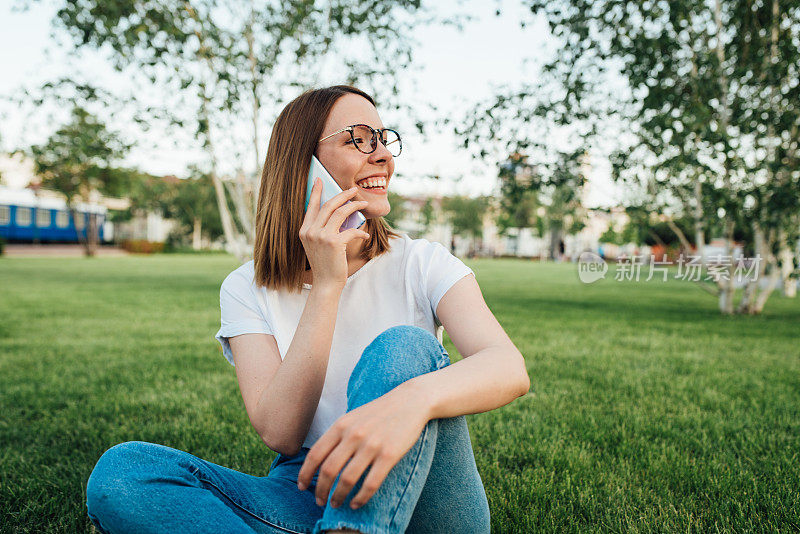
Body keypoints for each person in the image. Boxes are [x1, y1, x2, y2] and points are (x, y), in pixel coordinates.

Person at [85, 85, 530, 534]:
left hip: (424, 490)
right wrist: (328, 285)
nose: (382, 155)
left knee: (404, 347)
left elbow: (508, 367)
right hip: (308, 490)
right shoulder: (245, 287)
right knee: (125, 472)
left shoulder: (423, 262)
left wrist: (410, 402)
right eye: (358, 138)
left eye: (383, 138)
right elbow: (282, 433)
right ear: (304, 165)